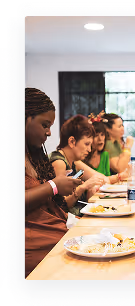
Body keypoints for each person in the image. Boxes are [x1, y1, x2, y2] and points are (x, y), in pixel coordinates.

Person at [24, 87, 82, 278]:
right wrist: (54, 186)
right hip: (33, 243)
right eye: (45, 125)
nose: (49, 133)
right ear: (25, 118)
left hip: (52, 232)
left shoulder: (34, 156)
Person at [49, 115, 105, 216]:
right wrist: (84, 187)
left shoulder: (73, 162)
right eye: (86, 144)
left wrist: (89, 189)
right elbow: (61, 206)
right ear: (72, 142)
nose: (89, 149)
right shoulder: (59, 163)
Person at [84, 112, 128, 181]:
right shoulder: (81, 158)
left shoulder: (105, 155)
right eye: (96, 135)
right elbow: (76, 178)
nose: (100, 139)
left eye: (102, 135)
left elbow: (107, 179)